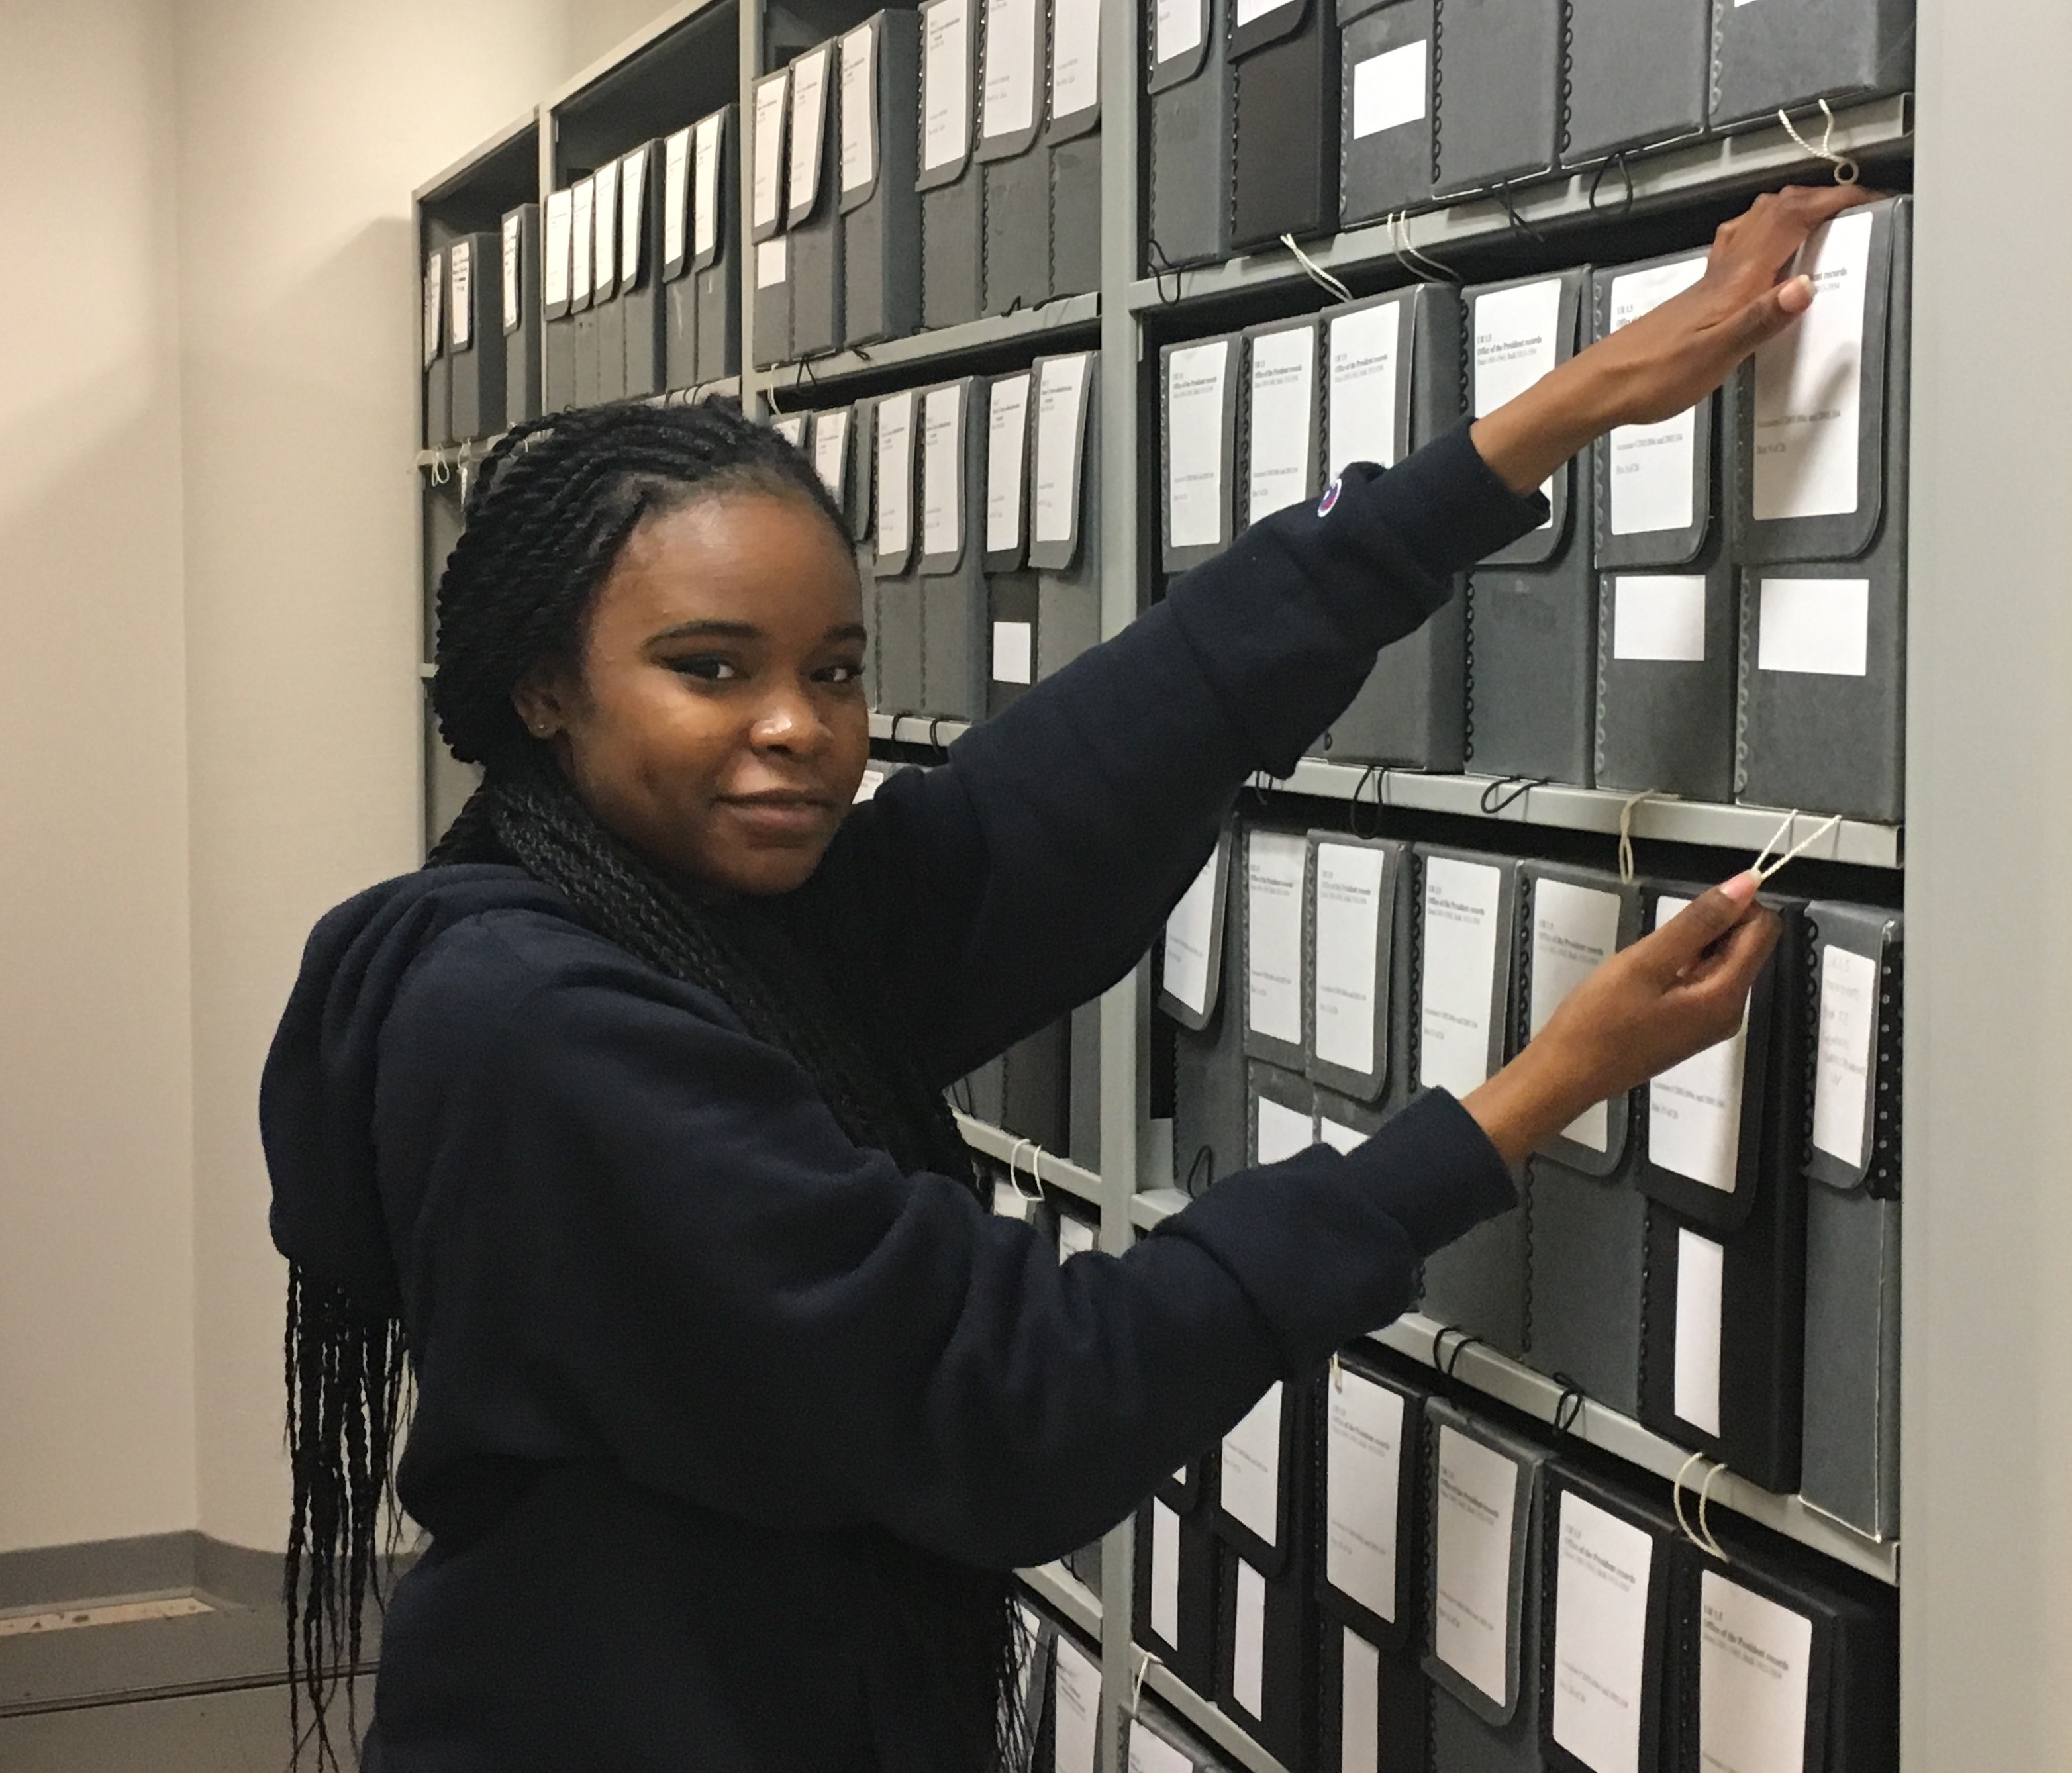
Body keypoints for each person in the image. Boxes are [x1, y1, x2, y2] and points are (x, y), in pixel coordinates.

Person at [261, 183, 1865, 1771]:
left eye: (833, 670)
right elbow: (1017, 1398)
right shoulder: (537, 1022)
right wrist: (1534, 1093)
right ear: (543, 688)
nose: (797, 727)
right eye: (708, 667)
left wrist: (1563, 406)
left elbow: (1073, 791)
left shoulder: (689, 917)